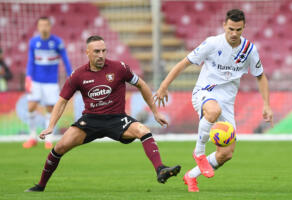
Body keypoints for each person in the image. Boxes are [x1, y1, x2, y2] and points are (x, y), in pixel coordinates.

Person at [25, 35, 181, 192]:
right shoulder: (78, 75)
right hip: (90, 121)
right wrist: (51, 126)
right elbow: (62, 101)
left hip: (117, 119)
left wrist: (155, 112)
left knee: (144, 131)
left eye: (104, 51)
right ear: (87, 52)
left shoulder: (119, 68)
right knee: (59, 147)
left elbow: (142, 85)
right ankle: (40, 185)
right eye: (97, 51)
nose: (101, 55)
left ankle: (160, 169)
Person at [153, 9, 273, 192]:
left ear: (244, 28)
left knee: (226, 153)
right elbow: (184, 63)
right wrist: (163, 85)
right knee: (213, 110)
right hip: (204, 92)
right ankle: (199, 153)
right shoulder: (212, 43)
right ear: (224, 25)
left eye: (238, 30)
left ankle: (191, 176)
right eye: (231, 29)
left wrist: (266, 104)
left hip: (227, 102)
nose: (234, 33)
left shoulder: (249, 50)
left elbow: (261, 76)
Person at [23, 16, 72, 149]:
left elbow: (65, 60)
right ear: (38, 27)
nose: (44, 27)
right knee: (31, 106)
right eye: (41, 25)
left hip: (51, 82)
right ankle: (32, 136)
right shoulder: (33, 42)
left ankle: (48, 139)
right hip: (36, 80)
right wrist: (28, 77)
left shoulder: (57, 42)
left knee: (50, 108)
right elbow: (30, 61)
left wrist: (70, 74)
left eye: (46, 25)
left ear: (50, 26)